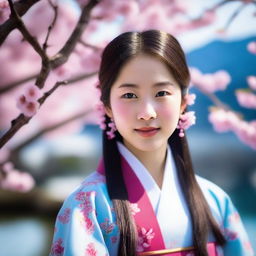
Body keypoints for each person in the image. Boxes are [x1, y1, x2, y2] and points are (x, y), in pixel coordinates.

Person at [49, 30, 254, 256]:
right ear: (107, 106)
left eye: (162, 92)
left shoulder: (215, 200)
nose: (146, 113)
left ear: (184, 102)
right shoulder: (87, 206)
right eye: (129, 95)